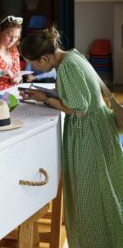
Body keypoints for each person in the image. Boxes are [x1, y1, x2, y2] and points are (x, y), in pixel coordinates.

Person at [20, 26, 123, 247]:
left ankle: (99, 241)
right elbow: (78, 93)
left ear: (45, 57)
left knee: (90, 192)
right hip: (98, 128)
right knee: (103, 186)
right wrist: (45, 94)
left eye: (35, 63)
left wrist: (45, 99)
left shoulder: (67, 67)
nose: (35, 68)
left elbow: (79, 108)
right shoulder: (73, 56)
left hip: (89, 133)